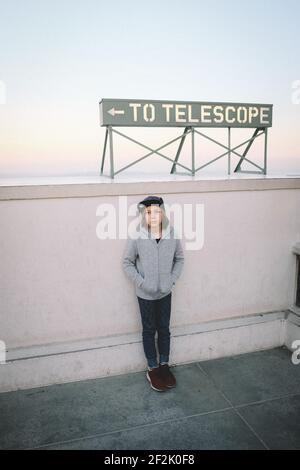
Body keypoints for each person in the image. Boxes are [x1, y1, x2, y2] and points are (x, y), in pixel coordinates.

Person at [122, 195, 184, 392]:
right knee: (149, 330)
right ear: (144, 214)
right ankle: (152, 368)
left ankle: (164, 365)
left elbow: (180, 259)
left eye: (157, 211)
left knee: (164, 329)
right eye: (149, 212)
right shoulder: (138, 235)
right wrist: (142, 283)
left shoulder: (171, 233)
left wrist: (171, 280)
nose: (153, 215)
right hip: (145, 295)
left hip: (165, 293)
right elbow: (127, 262)